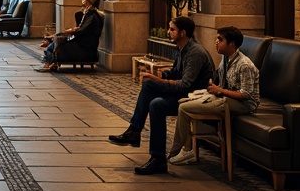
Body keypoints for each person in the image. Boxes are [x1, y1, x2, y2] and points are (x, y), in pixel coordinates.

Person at [108, 15, 214, 175]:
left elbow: (185, 84)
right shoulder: (181, 48)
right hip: (183, 92)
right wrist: (160, 76)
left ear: (183, 33)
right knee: (152, 92)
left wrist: (159, 81)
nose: (168, 32)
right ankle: (144, 143)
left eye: (172, 29)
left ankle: (141, 139)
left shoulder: (195, 53)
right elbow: (175, 73)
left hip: (193, 97)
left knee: (155, 99)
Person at [169, 26, 260, 165]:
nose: (216, 42)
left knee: (184, 108)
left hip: (244, 104)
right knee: (183, 102)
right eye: (217, 38)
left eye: (220, 39)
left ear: (232, 43)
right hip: (226, 97)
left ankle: (181, 151)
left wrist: (220, 91)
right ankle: (188, 147)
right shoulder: (226, 59)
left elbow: (246, 95)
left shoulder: (244, 64)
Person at [37, 0, 104, 70]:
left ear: (89, 1)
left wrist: (72, 31)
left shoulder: (93, 16)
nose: (83, 1)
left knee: (58, 41)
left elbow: (83, 31)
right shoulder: (88, 13)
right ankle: (49, 61)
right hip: (81, 42)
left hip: (84, 46)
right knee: (57, 39)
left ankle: (49, 62)